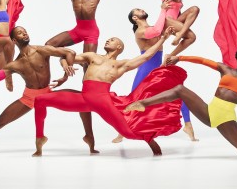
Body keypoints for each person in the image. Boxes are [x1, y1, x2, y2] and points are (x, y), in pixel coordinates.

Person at [0, 26, 100, 156]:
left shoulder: (41, 50)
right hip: (29, 98)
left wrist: (65, 74)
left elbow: (69, 52)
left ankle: (89, 137)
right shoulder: (14, 65)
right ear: (14, 40)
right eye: (20, 32)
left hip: (48, 93)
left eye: (25, 31)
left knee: (83, 100)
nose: (24, 33)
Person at [33, 27, 188, 156]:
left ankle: (150, 139)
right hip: (84, 98)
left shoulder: (121, 65)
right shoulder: (92, 56)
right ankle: (40, 138)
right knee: (40, 100)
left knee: (127, 133)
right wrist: (64, 64)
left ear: (119, 47)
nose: (108, 40)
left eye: (112, 39)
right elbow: (66, 55)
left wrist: (163, 38)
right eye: (108, 39)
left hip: (103, 101)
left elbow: (147, 56)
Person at [44, 0, 124, 144]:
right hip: (78, 29)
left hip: (90, 32)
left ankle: (90, 127)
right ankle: (63, 71)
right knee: (49, 45)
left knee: (87, 73)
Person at [111, 6, 198, 143]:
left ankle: (188, 125)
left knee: (180, 93)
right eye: (138, 10)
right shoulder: (140, 32)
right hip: (145, 69)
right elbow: (157, 31)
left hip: (159, 67)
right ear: (135, 18)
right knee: (133, 99)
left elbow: (163, 33)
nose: (142, 10)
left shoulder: (154, 28)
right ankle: (121, 132)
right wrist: (163, 10)